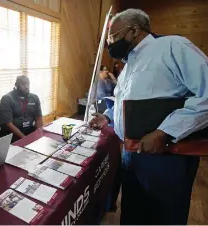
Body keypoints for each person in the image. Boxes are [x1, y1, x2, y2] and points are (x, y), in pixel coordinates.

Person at [89, 8, 208, 224]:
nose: (109, 42)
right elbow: (127, 102)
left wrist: (165, 131)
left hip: (166, 157)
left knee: (162, 216)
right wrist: (108, 116)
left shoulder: (173, 47)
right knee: (134, 214)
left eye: (113, 36)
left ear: (134, 30)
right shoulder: (128, 65)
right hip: (131, 154)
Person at [0, 75, 43, 143]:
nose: (26, 87)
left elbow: (39, 118)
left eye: (28, 84)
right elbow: (8, 125)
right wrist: (25, 139)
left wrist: (37, 134)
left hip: (29, 132)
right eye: (23, 84)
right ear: (16, 85)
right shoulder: (7, 99)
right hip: (12, 135)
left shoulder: (35, 98)